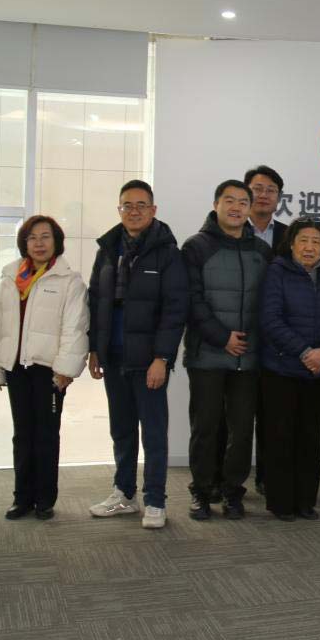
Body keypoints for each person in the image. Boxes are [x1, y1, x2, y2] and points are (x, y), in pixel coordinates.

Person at [86, 180, 188, 529]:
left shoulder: (167, 252)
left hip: (149, 361)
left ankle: (156, 501)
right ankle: (124, 494)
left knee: (153, 433)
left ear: (153, 210)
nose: (134, 211)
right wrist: (94, 348)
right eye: (127, 205)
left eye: (141, 205)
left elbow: (175, 309)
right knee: (122, 430)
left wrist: (163, 358)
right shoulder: (107, 249)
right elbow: (95, 300)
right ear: (119, 209)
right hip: (113, 355)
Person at [0, 215, 89, 520]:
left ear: (56, 242)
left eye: (45, 237)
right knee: (22, 435)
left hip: (49, 371)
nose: (39, 243)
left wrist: (65, 370)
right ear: (24, 243)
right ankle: (22, 498)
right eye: (32, 237)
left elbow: (75, 327)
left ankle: (44, 499)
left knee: (46, 435)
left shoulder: (69, 281)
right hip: (16, 367)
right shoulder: (10, 278)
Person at [182, 180, 271, 520]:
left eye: (243, 202)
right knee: (205, 428)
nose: (236, 207)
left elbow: (268, 303)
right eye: (229, 200)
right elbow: (192, 300)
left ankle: (233, 491)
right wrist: (222, 337)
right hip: (207, 354)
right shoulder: (196, 247)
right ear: (216, 204)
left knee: (242, 430)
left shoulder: (261, 250)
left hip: (248, 358)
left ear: (250, 208)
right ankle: (202, 491)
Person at [259, 217, 320, 520]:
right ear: (291, 244)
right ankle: (281, 503)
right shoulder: (276, 273)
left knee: (310, 438)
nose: (310, 247)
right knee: (280, 437)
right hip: (280, 368)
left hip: (316, 371)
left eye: (316, 241)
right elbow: (270, 320)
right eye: (304, 240)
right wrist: (306, 352)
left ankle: (306, 500)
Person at [243, 164, 289, 497]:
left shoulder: (289, 235)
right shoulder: (230, 229)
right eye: (257, 188)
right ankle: (227, 481)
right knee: (234, 416)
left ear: (279, 198)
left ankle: (267, 477)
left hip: (277, 340)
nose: (263, 194)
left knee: (273, 415)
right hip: (238, 337)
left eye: (271, 190)